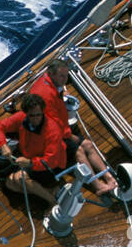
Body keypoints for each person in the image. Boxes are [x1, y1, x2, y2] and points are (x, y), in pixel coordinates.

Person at [28, 59, 119, 198]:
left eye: (66, 75)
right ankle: (98, 186)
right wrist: (70, 136)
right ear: (51, 74)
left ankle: (108, 176)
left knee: (88, 144)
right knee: (79, 152)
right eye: (62, 76)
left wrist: (61, 92)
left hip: (59, 128)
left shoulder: (52, 83)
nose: (65, 80)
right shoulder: (45, 95)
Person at [0, 93, 68, 203]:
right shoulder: (21, 118)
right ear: (26, 113)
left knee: (20, 178)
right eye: (32, 115)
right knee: (10, 183)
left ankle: (53, 202)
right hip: (29, 157)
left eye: (39, 115)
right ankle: (48, 190)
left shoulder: (52, 130)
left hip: (51, 166)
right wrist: (2, 145)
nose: (36, 118)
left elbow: (51, 160)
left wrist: (30, 162)